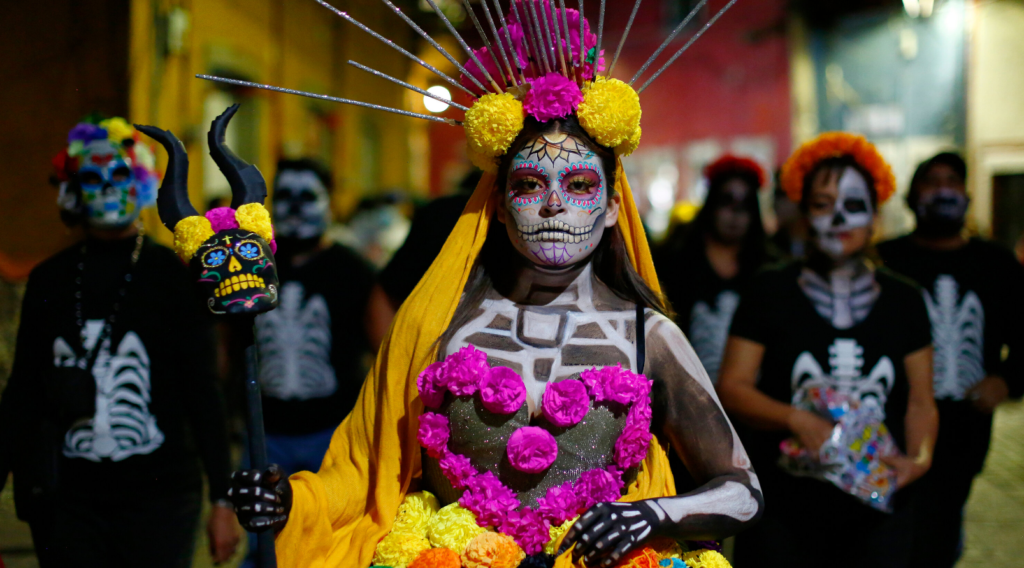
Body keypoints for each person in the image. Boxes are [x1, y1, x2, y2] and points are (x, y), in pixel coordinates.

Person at [226, 3, 763, 568]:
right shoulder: (437, 325)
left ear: (610, 208)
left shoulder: (647, 335)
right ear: (501, 208)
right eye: (531, 183)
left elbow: (744, 490)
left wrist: (652, 514)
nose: (554, 204)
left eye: (579, 183)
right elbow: (361, 474)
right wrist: (289, 500)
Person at [0, 118, 238, 567]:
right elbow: (23, 392)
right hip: (68, 500)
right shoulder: (50, 279)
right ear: (73, 192)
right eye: (93, 177)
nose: (109, 188)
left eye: (121, 175)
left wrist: (222, 501)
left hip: (161, 496)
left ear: (143, 185)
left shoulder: (174, 277)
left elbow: (203, 392)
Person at [718, 133, 939, 568]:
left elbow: (920, 400)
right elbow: (733, 385)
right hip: (785, 508)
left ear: (875, 215)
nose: (838, 217)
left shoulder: (905, 299)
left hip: (878, 513)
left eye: (853, 205)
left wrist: (919, 460)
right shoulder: (769, 290)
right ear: (803, 213)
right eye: (822, 204)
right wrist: (794, 417)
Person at [240, 158, 391, 566]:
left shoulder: (354, 270)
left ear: (329, 202)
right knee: (263, 543)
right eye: (284, 197)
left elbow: (384, 350)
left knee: (329, 537)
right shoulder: (253, 268)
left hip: (332, 433)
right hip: (266, 433)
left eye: (307, 197)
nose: (294, 208)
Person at [877, 152, 1024, 568]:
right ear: (911, 197)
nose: (943, 190)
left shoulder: (997, 263)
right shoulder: (884, 260)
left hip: (965, 426)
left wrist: (1007, 380)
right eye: (931, 181)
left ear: (967, 195)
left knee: (941, 531)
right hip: (893, 424)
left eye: (952, 182)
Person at [656, 155, 768, 385]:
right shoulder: (675, 261)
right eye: (727, 201)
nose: (735, 214)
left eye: (745, 205)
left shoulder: (768, 267)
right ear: (711, 204)